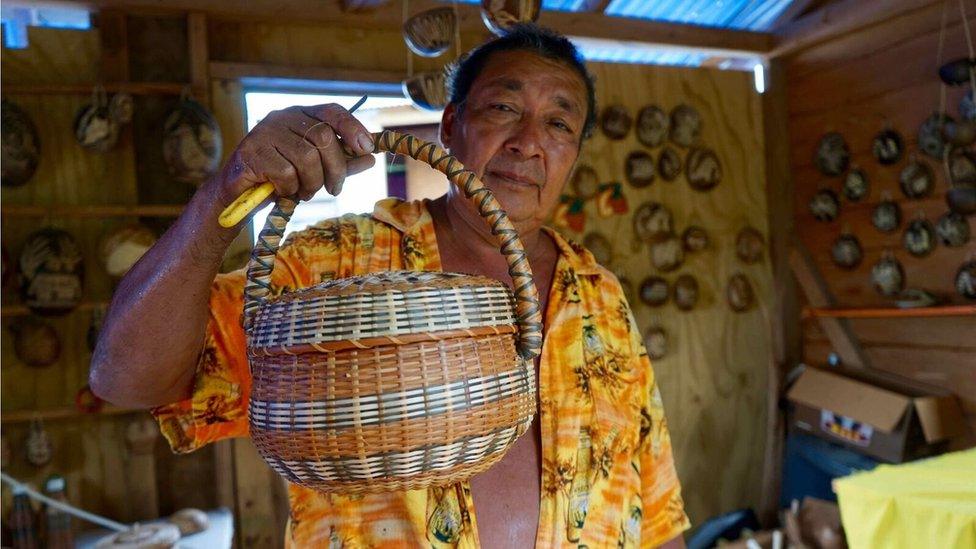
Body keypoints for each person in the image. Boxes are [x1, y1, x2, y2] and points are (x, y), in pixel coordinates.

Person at [91, 24, 690, 548]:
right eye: (502, 109)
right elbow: (125, 378)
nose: (528, 141)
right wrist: (222, 193)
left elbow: (654, 508)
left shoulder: (599, 295)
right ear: (450, 127)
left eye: (558, 122)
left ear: (574, 154)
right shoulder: (337, 265)